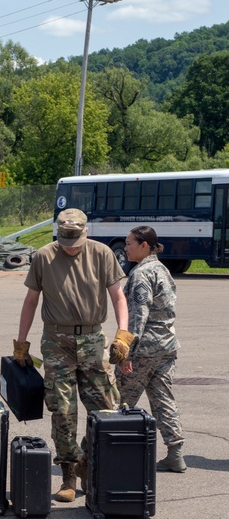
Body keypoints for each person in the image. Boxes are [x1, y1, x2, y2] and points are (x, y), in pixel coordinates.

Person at [14, 208, 136, 503]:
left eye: (75, 241)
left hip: (93, 340)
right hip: (57, 342)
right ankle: (68, 474)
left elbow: (118, 297)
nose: (70, 247)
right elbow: (31, 301)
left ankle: (86, 463)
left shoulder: (102, 254)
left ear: (86, 232)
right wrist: (21, 343)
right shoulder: (44, 256)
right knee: (62, 411)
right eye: (65, 241)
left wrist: (123, 334)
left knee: (107, 409)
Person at [117, 226, 186, 472]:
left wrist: (127, 352)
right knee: (162, 398)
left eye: (129, 243)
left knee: (118, 399)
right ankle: (175, 452)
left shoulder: (141, 274)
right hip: (166, 345)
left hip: (144, 349)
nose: (125, 248)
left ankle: (102, 450)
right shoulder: (162, 269)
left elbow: (139, 316)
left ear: (144, 245)